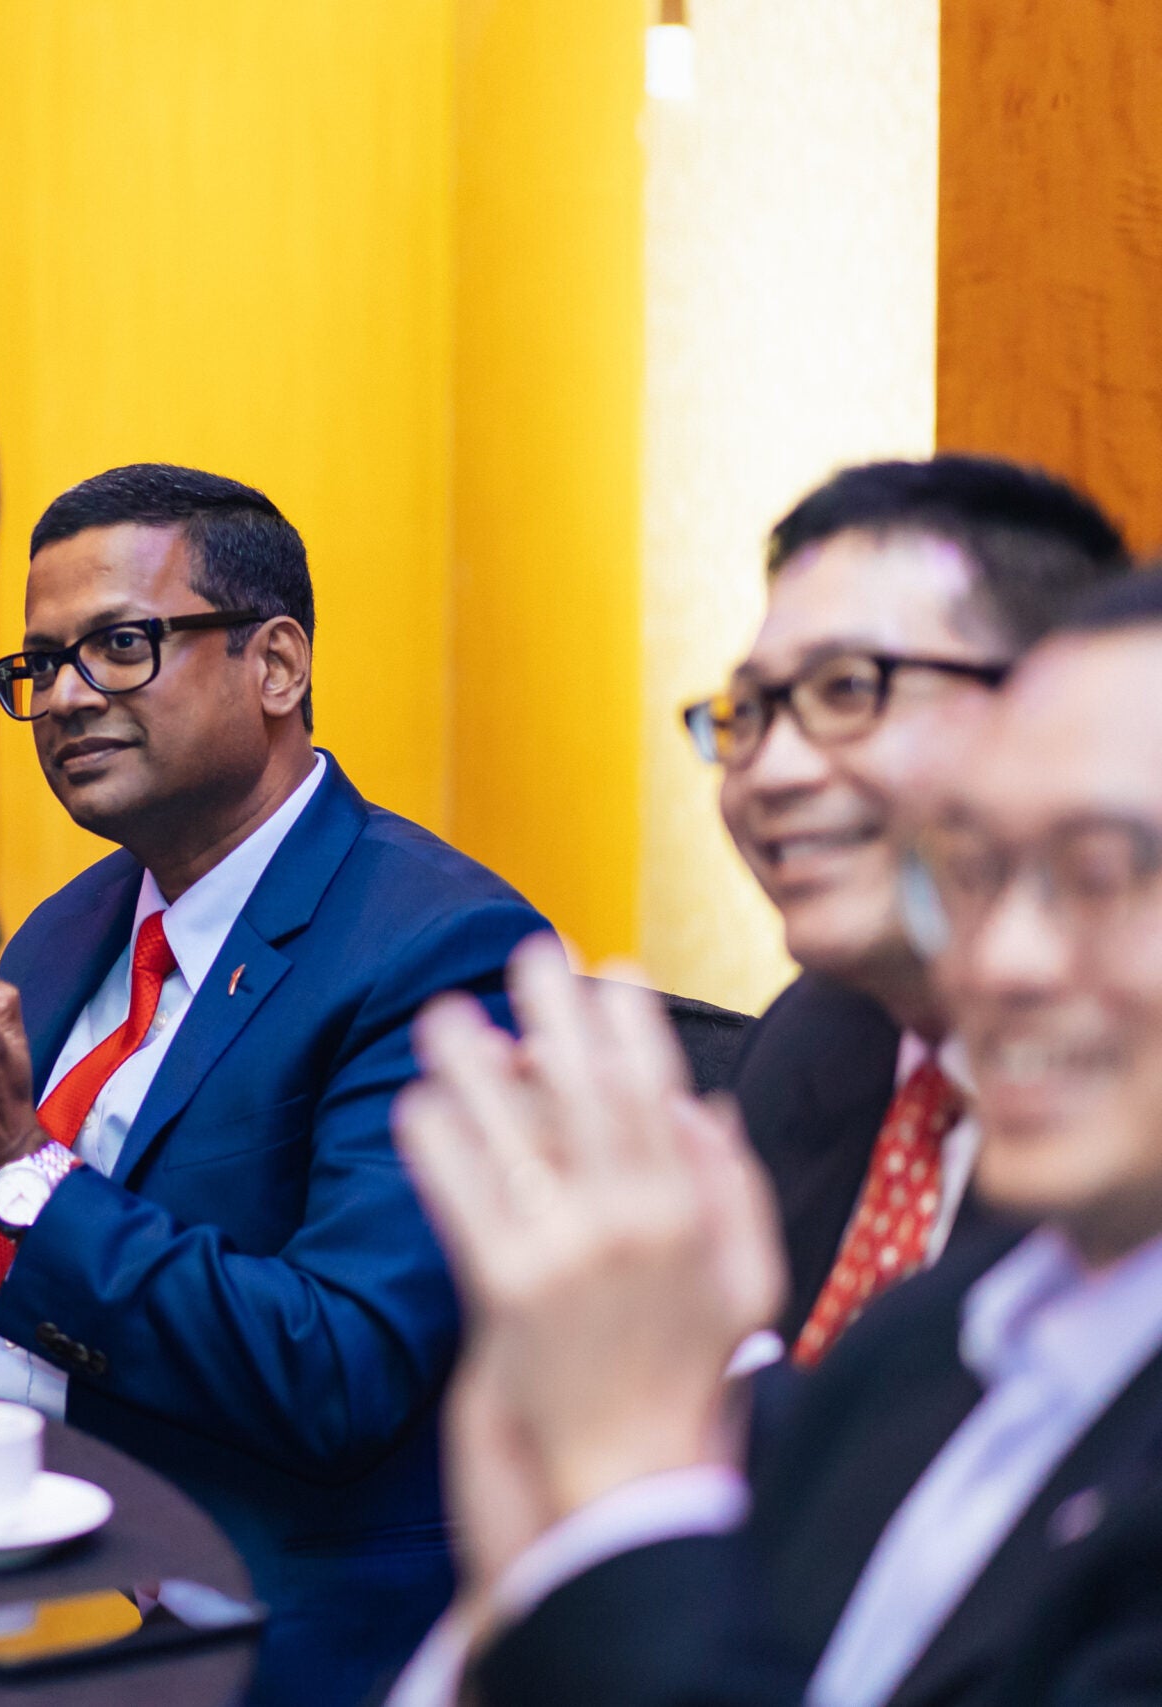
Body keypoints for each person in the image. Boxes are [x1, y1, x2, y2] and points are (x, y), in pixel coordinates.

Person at [0, 464, 550, 1707]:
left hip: (222, 1603)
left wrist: (20, 1171)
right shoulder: (77, 920)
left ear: (275, 664)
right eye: (41, 665)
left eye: (121, 646)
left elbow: (336, 1370)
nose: (65, 697)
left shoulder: (438, 952)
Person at [388, 568, 1162, 1707]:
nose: (1000, 961)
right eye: (976, 875)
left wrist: (624, 1491)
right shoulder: (948, 1322)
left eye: (1098, 876)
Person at [681, 457, 1126, 1361]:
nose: (772, 772)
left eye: (849, 689)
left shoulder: (1124, 1092)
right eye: (752, 711)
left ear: (1050, 697)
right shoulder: (810, 1039)